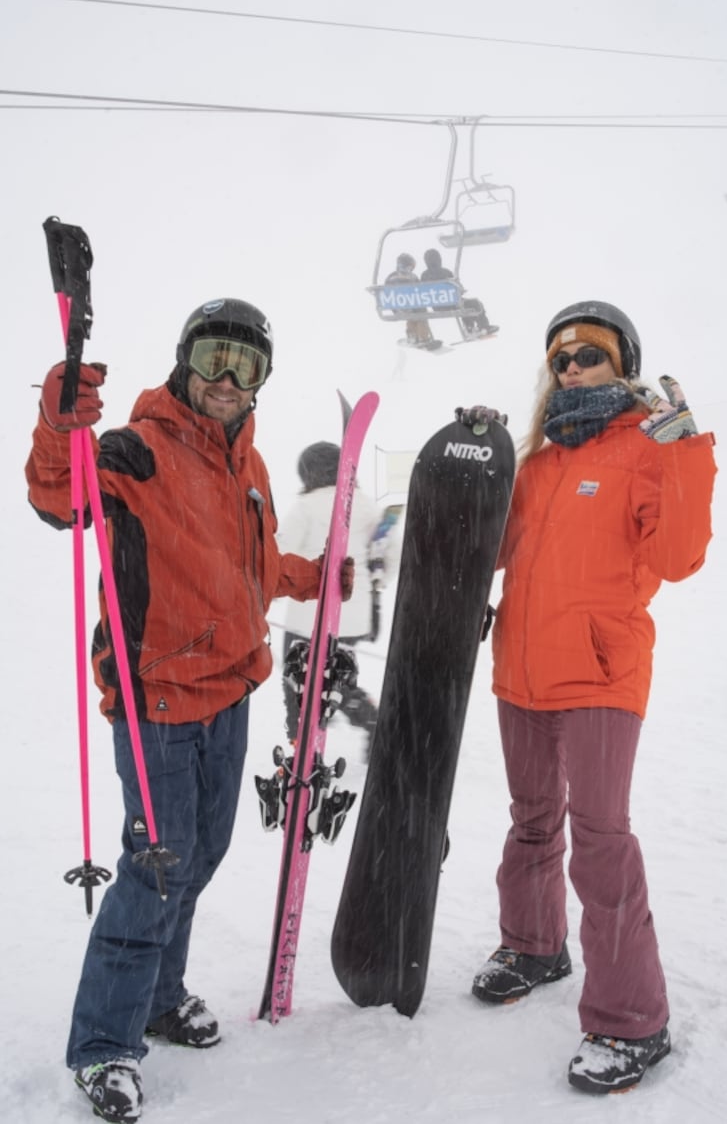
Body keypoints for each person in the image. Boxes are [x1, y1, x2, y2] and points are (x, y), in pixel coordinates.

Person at [25, 297, 354, 1123]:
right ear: (184, 358)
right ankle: (105, 1042)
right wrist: (55, 418)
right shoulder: (134, 449)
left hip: (229, 691)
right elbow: (59, 495)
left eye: (246, 365)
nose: (226, 378)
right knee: (157, 867)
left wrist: (314, 577)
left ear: (262, 381)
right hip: (158, 699)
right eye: (213, 357)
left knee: (201, 853)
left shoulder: (251, 463)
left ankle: (160, 996)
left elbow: (252, 564)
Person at [471, 301, 717, 1094]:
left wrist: (682, 451)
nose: (571, 368)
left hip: (602, 673)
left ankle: (629, 1019)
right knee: (531, 818)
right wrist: (476, 458)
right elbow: (490, 549)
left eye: (589, 355)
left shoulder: (646, 451)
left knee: (601, 834)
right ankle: (534, 944)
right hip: (521, 668)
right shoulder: (537, 462)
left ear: (623, 364)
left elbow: (678, 560)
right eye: (561, 358)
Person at [277, 441, 399, 760]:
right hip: (352, 619)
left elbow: (279, 552)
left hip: (308, 617)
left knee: (297, 681)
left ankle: (301, 750)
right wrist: (376, 584)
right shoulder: (363, 505)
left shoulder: (306, 507)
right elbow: (392, 549)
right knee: (336, 679)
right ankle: (372, 721)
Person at [421, 248, 498, 337]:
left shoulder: (424, 275)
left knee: (463, 303)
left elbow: (424, 292)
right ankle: (482, 327)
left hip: (437, 306)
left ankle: (470, 328)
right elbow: (457, 288)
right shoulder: (446, 272)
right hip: (451, 304)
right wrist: (460, 290)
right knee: (473, 303)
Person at [384, 252, 440, 349]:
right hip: (412, 306)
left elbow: (385, 292)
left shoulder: (391, 277)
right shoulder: (412, 277)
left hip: (398, 308)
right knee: (420, 313)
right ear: (409, 266)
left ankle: (412, 335)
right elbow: (420, 291)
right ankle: (423, 338)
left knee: (412, 314)